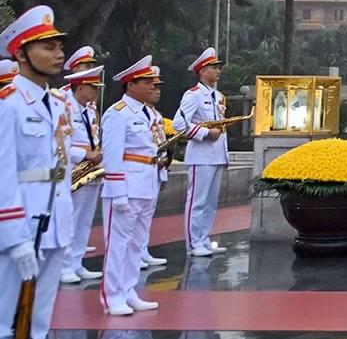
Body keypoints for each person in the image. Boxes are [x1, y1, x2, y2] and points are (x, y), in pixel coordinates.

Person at [0, 5, 86, 339]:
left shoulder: (54, 103)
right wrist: (14, 237)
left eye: (59, 46)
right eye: (47, 46)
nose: (58, 54)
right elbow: (2, 172)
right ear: (20, 53)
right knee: (4, 327)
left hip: (53, 222)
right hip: (20, 228)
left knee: (36, 326)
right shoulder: (9, 103)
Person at [100, 56, 166, 316]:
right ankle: (113, 295)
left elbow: (155, 151)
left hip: (146, 181)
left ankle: (128, 290)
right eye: (147, 81)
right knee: (118, 243)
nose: (153, 86)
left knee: (136, 243)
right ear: (131, 85)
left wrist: (160, 178)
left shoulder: (150, 113)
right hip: (126, 184)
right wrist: (117, 191)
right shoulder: (118, 114)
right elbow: (112, 155)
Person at [173, 47, 231, 257]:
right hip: (201, 154)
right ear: (202, 71)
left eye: (218, 68)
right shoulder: (193, 95)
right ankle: (193, 243)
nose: (218, 71)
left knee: (210, 202)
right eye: (214, 68)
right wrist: (205, 133)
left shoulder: (218, 96)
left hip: (216, 155)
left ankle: (204, 238)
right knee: (197, 201)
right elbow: (179, 124)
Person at [60, 47, 106, 284]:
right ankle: (65, 265)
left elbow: (93, 134)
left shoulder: (89, 107)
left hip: (92, 167)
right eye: (92, 86)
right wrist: (84, 154)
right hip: (72, 168)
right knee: (70, 217)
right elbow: (57, 140)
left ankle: (76, 263)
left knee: (85, 218)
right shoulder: (61, 102)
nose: (96, 91)